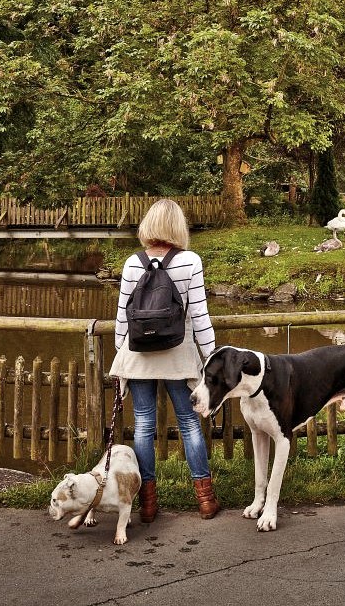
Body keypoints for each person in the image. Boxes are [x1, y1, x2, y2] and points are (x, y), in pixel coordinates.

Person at [108, 198, 220, 522]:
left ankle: (147, 504)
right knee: (188, 422)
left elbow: (121, 315)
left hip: (138, 352)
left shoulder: (132, 263)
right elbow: (199, 312)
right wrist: (210, 353)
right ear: (178, 227)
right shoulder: (190, 261)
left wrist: (121, 350)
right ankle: (206, 500)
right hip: (178, 353)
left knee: (143, 424)